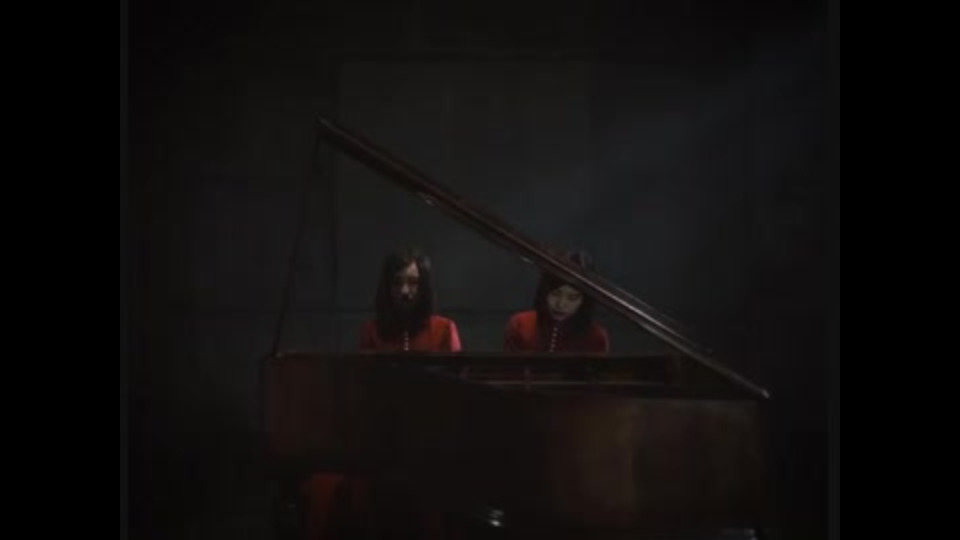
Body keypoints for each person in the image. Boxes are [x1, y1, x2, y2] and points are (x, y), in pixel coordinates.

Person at [301, 248, 461, 540]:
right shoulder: (372, 330)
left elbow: (455, 393)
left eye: (413, 283)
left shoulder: (443, 329)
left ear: (424, 286)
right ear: (387, 286)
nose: (405, 291)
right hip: (382, 435)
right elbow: (365, 389)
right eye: (397, 282)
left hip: (430, 437)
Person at [504, 249, 609, 353]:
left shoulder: (595, 337)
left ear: (584, 301)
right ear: (545, 292)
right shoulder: (520, 325)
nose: (561, 304)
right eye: (556, 294)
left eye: (572, 298)